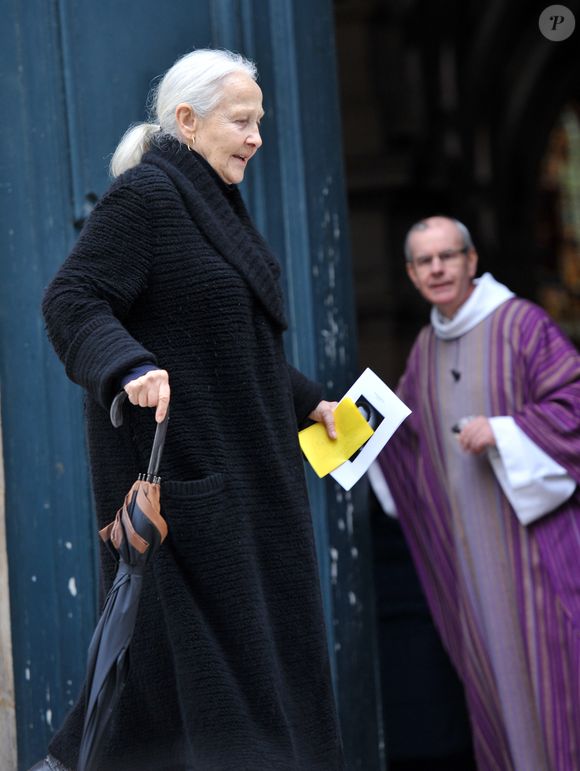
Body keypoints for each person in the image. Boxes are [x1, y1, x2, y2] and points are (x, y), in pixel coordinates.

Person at [35, 49, 344, 771]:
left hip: (245, 499)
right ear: (187, 120)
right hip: (192, 507)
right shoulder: (146, 196)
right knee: (211, 715)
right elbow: (71, 299)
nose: (256, 136)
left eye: (259, 120)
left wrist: (310, 403)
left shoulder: (211, 203)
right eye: (243, 120)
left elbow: (228, 343)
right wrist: (127, 364)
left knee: (208, 709)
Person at [370, 216, 580, 770]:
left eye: (447, 256)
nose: (437, 268)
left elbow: (572, 405)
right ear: (412, 276)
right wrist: (355, 425)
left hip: (534, 560)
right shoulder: (423, 348)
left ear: (471, 261)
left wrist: (509, 430)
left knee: (557, 690)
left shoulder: (523, 326)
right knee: (496, 697)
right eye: (424, 261)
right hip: (471, 570)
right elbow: (410, 445)